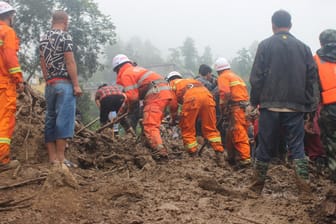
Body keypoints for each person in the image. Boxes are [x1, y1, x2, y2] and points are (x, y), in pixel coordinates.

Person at [249, 10, 318, 194]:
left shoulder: (265, 45)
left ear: (273, 25)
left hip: (269, 105)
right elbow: (311, 79)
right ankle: (305, 191)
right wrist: (310, 109)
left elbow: (256, 78)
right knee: (297, 147)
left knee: (264, 147)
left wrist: (254, 102)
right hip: (295, 107)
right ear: (291, 25)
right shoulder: (304, 48)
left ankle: (255, 190)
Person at [39, 10, 82, 167]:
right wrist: (76, 84)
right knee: (64, 119)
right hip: (64, 83)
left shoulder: (43, 38)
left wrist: (48, 80)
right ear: (65, 21)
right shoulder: (65, 36)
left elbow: (42, 62)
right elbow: (69, 61)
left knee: (50, 119)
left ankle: (52, 159)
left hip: (50, 84)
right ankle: (61, 158)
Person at [112, 54, 172, 161]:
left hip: (156, 94)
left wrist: (129, 110)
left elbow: (133, 98)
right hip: (163, 92)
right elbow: (130, 99)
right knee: (148, 123)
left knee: (150, 125)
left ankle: (161, 153)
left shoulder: (126, 74)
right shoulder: (135, 70)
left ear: (118, 69)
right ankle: (149, 146)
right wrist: (120, 114)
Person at [166, 71, 225, 166]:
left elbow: (173, 105)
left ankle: (193, 155)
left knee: (187, 129)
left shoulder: (171, 85)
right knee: (210, 128)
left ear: (169, 80)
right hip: (208, 97)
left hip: (191, 99)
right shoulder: (190, 80)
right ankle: (219, 153)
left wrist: (174, 118)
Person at [0, 2, 23, 173]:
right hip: (4, 84)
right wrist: (18, 78)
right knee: (4, 120)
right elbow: (9, 57)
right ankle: (2, 159)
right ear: (8, 16)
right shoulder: (6, 32)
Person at [214, 57, 251, 167]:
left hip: (236, 109)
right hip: (244, 108)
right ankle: (232, 157)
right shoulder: (237, 77)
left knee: (238, 133)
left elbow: (225, 93)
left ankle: (245, 159)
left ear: (218, 70)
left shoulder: (223, 77)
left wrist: (223, 108)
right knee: (231, 133)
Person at [314, 29, 336, 182]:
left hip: (329, 108)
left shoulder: (315, 59)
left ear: (321, 42)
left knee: (331, 142)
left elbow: (313, 90)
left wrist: (310, 115)